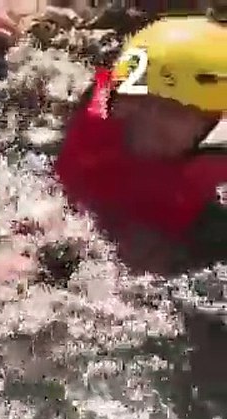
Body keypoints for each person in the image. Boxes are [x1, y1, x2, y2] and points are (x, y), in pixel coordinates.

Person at [54, 10, 226, 248]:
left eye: (171, 110)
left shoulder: (211, 178)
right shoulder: (84, 126)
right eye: (130, 97)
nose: (142, 115)